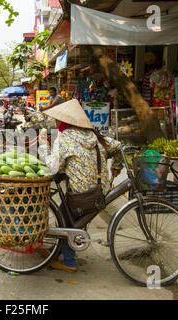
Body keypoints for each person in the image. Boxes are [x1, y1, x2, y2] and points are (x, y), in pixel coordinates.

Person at [38, 99, 123, 273]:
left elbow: (53, 168)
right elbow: (118, 147)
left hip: (81, 197)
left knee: (64, 220)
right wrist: (116, 168)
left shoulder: (65, 138)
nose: (56, 123)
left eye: (58, 120)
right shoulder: (95, 135)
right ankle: (62, 251)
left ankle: (69, 261)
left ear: (65, 122)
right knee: (69, 215)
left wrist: (43, 147)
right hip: (100, 192)